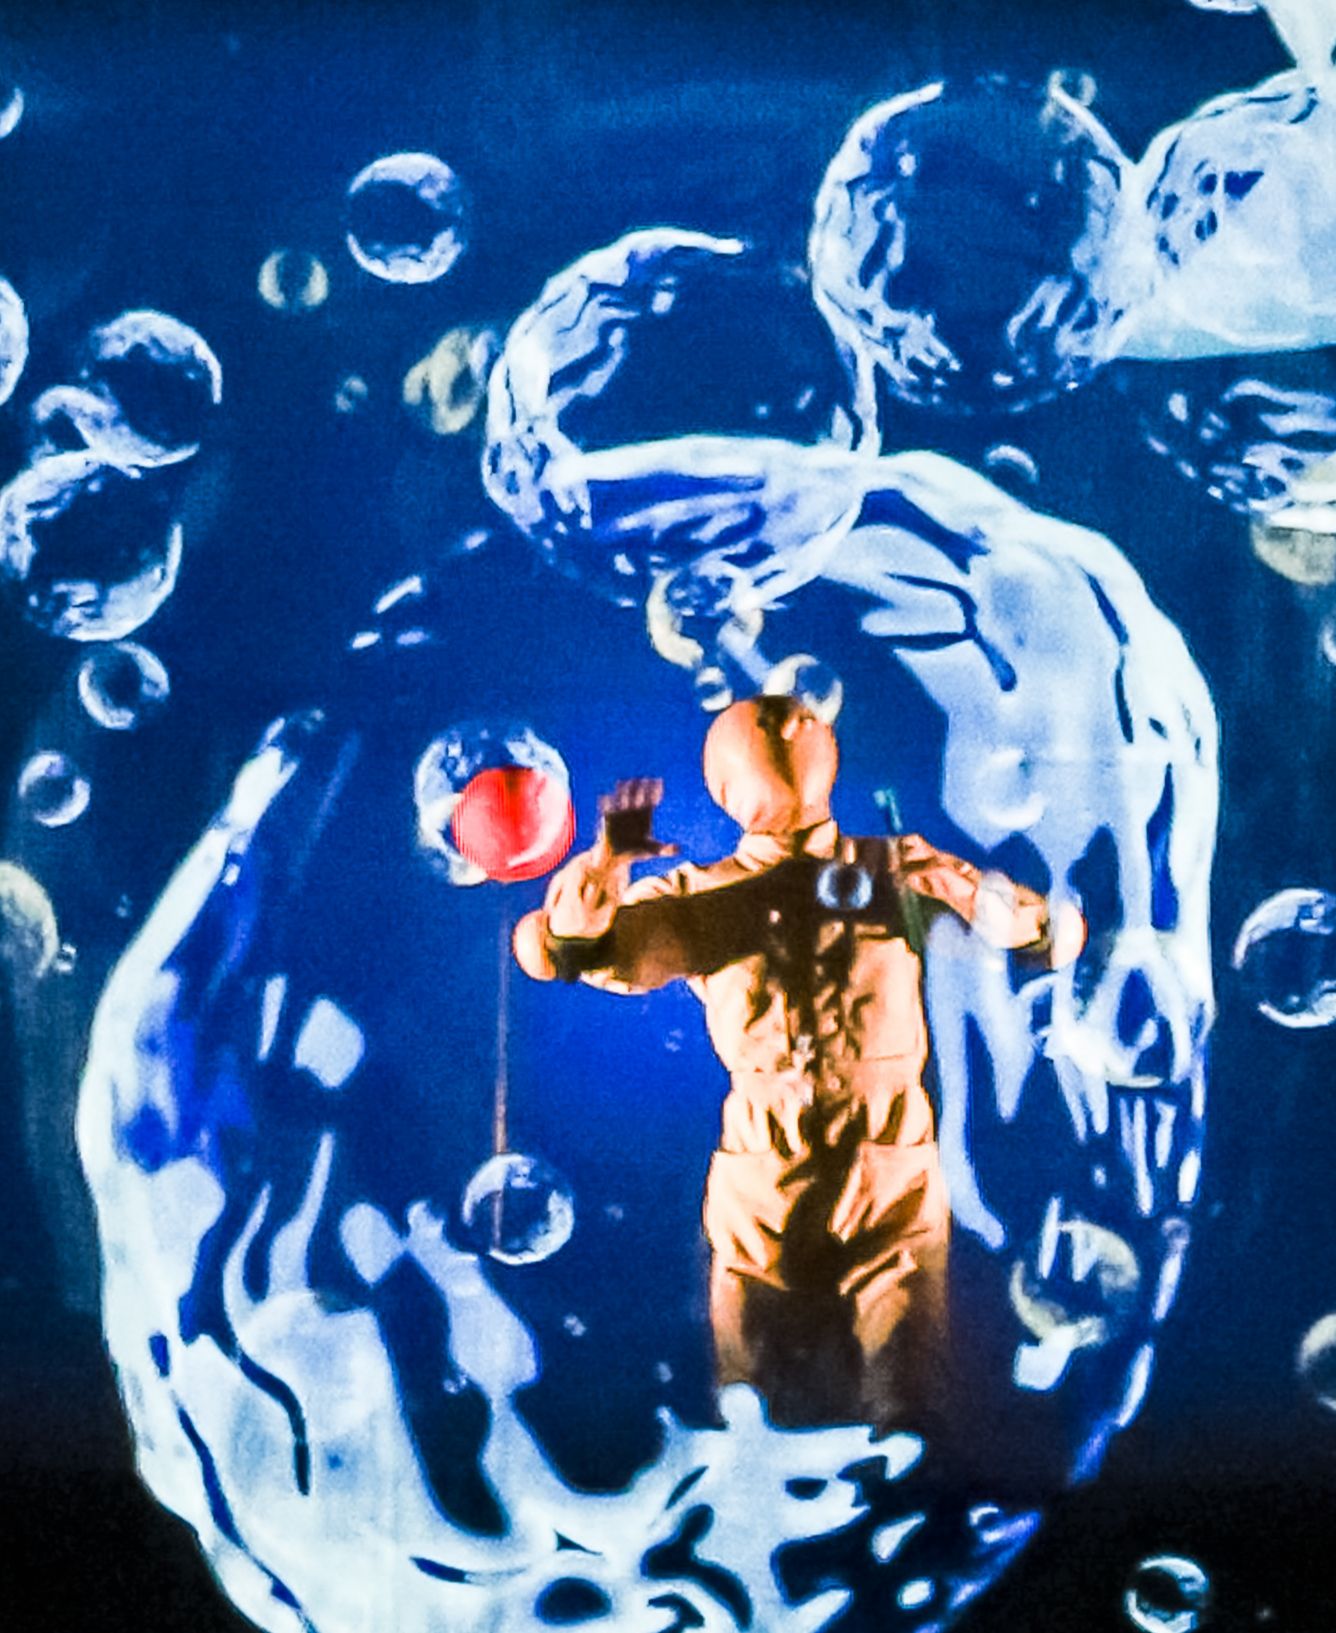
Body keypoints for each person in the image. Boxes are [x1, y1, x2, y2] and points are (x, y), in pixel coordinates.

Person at [513, 695, 1084, 1433]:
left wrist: (974, 894)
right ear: (725, 788)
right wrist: (604, 868)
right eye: (763, 725)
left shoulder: (899, 870)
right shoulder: (702, 897)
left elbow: (1052, 939)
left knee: (909, 1412)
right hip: (766, 1187)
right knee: (756, 1415)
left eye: (794, 717)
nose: (787, 725)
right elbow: (559, 951)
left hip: (889, 1179)